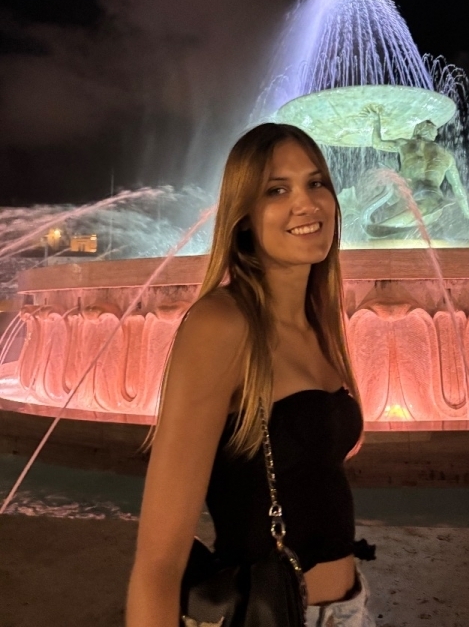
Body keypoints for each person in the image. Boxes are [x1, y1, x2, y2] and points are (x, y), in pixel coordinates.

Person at [126, 122, 376, 627]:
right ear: (242, 219)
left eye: (316, 182)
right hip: (271, 615)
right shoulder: (223, 325)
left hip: (350, 609)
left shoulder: (315, 321)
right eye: (277, 190)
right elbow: (158, 561)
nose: (306, 203)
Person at [363, 107, 469, 232]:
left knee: (388, 219)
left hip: (408, 193)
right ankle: (379, 228)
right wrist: (467, 212)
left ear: (417, 130)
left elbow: (377, 143)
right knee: (417, 212)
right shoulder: (447, 155)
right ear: (433, 134)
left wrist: (376, 122)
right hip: (430, 196)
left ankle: (377, 228)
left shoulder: (404, 143)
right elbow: (457, 187)